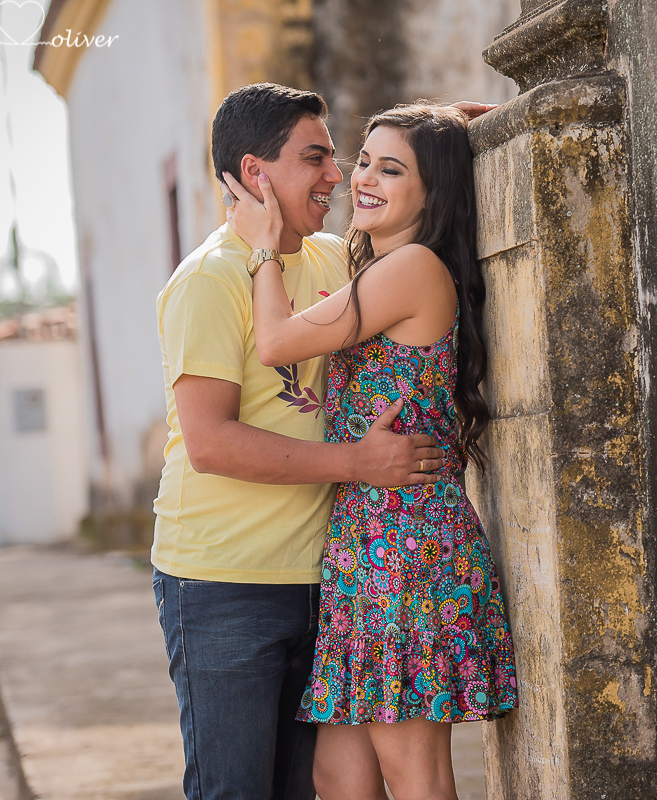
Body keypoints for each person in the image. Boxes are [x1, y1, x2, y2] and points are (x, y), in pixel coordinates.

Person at [152, 83, 490, 800]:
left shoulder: (345, 261)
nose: (346, 177)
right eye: (326, 158)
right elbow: (210, 443)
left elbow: (421, 185)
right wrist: (355, 463)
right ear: (256, 175)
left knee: (383, 773)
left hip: (378, 552)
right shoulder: (214, 279)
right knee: (294, 781)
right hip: (232, 579)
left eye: (368, 163)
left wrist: (454, 128)